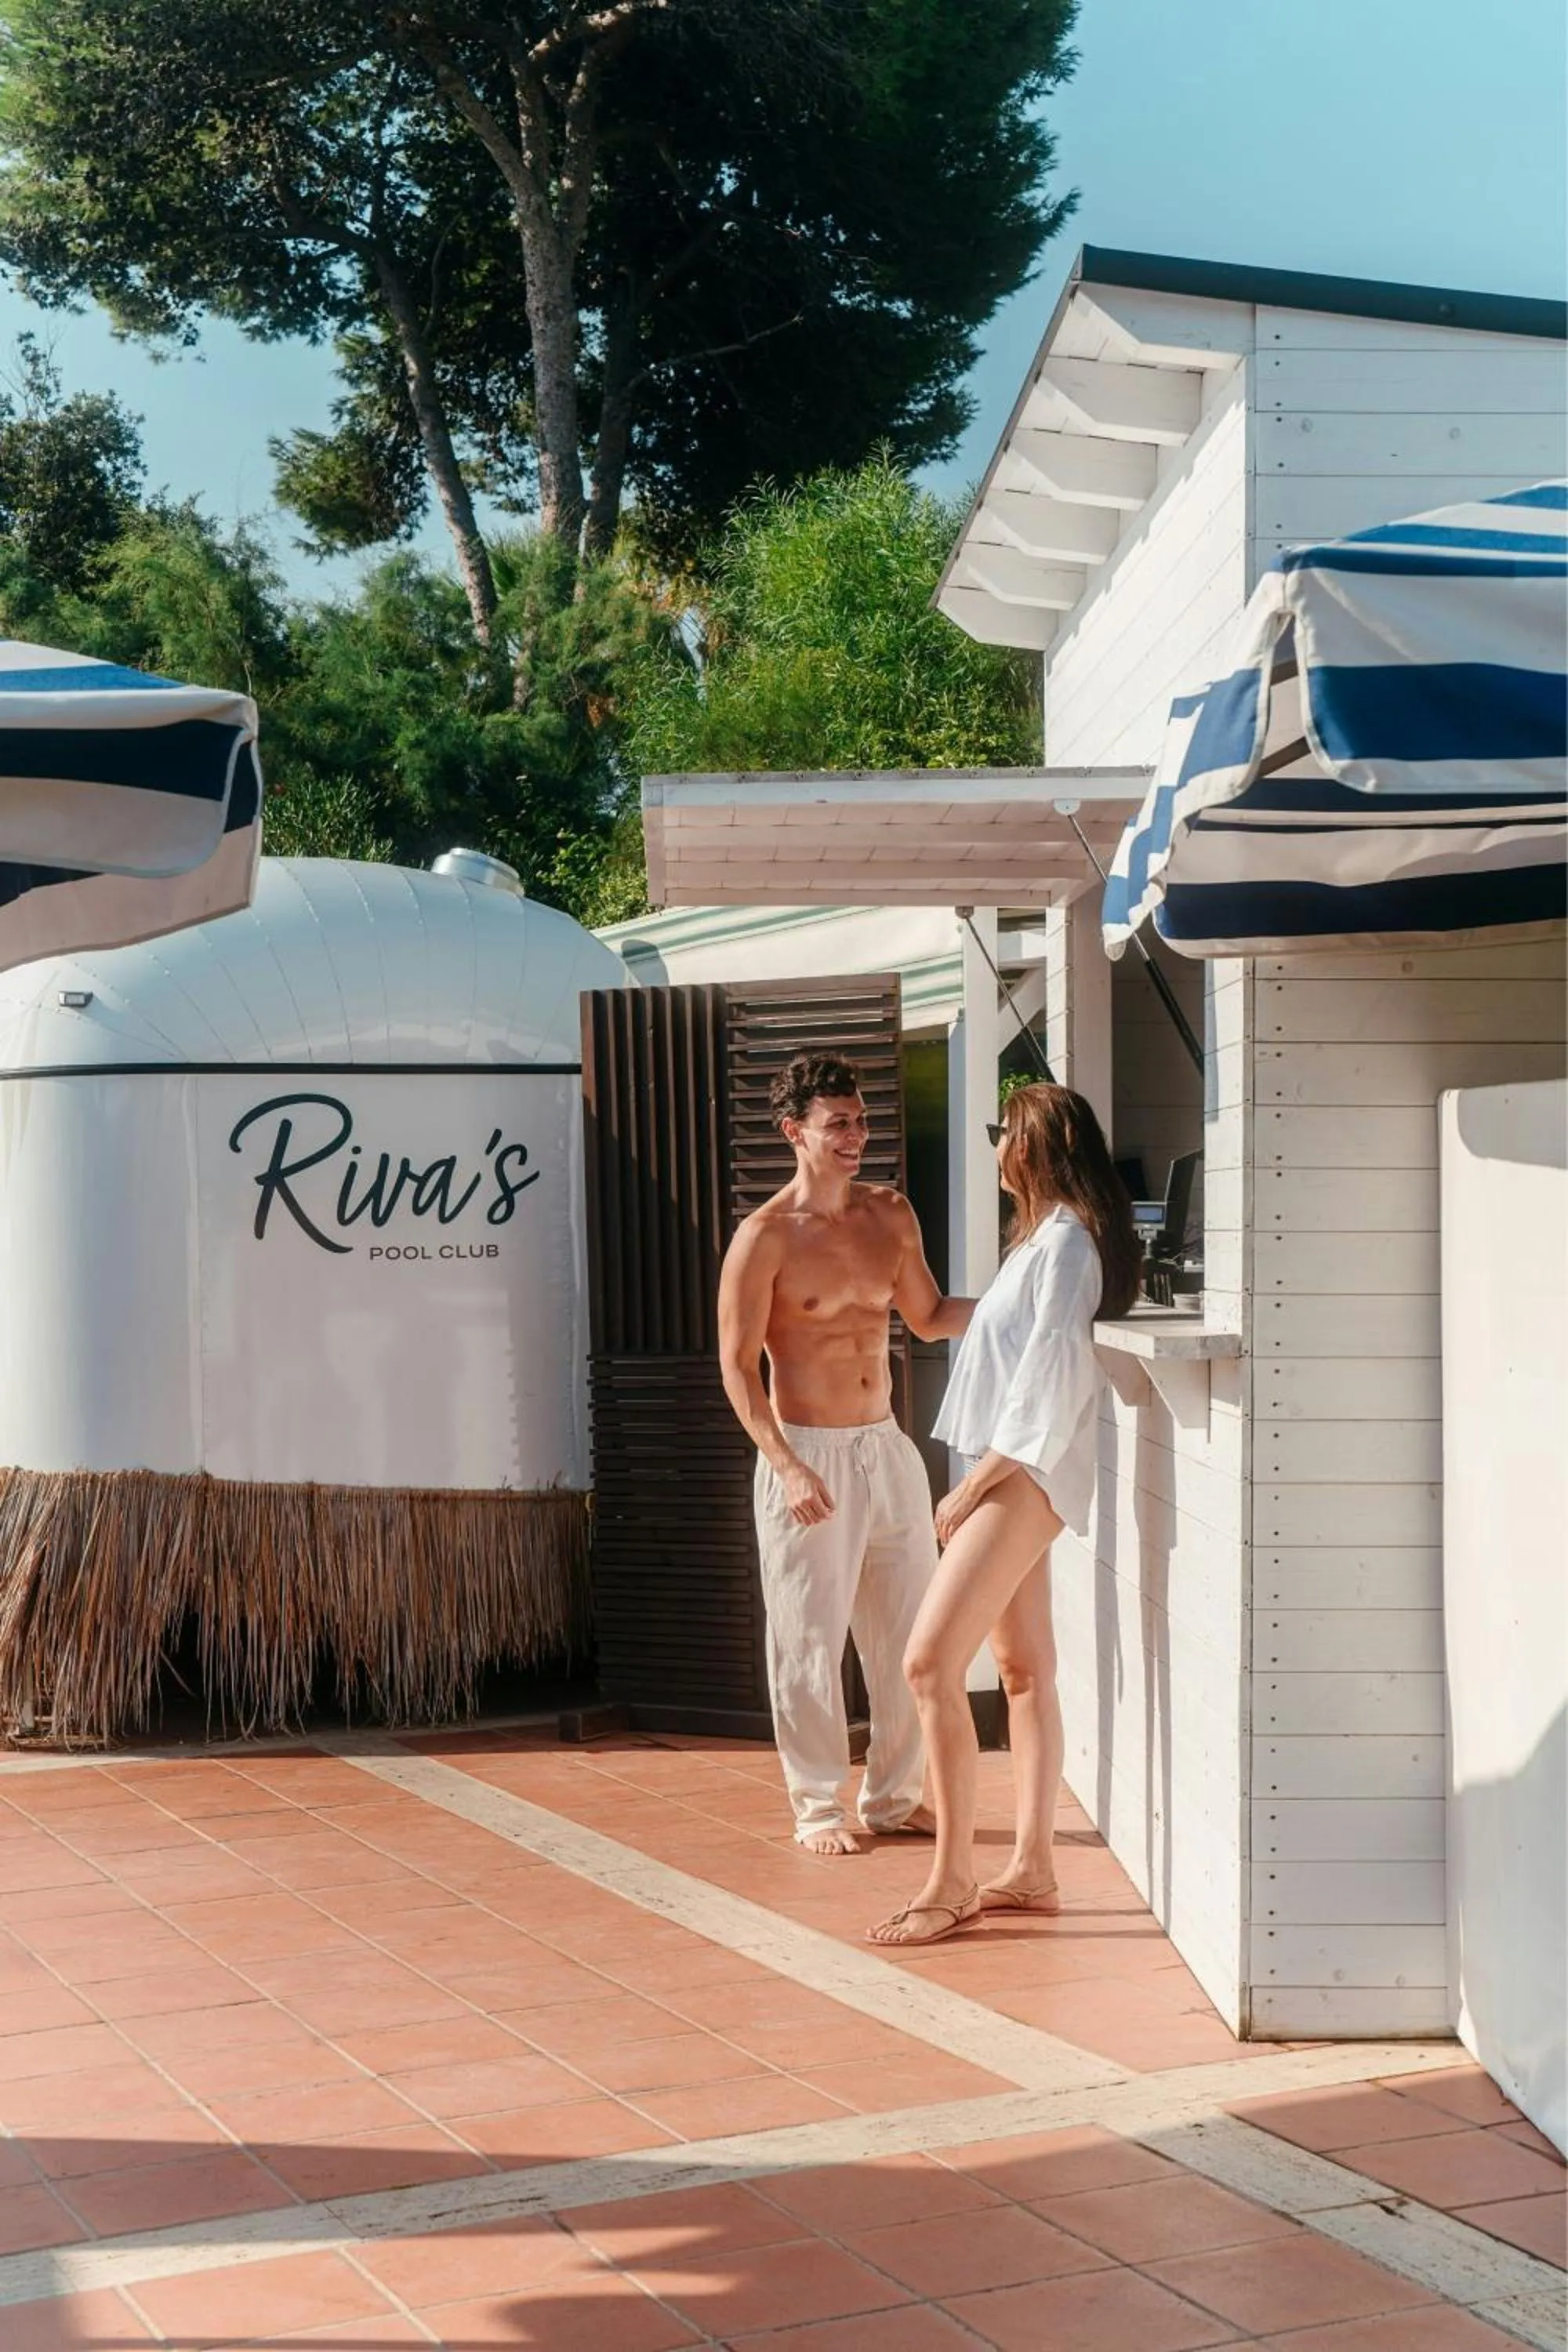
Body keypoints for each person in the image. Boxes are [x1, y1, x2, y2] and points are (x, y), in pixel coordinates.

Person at [867, 1082, 1142, 1944]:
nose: (993, 1147)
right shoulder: (1041, 1240)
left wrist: (972, 1485)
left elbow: (1046, 1384)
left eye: (1002, 1132)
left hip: (1021, 1473)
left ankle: (951, 1882)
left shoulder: (1066, 1246)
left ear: (1031, 1146)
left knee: (927, 1664)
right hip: (1017, 1468)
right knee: (1021, 1671)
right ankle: (1031, 1868)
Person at [718, 1052, 974, 1856]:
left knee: (907, 1633)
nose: (856, 1136)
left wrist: (1027, 1302)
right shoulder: (763, 1237)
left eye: (860, 1120)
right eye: (838, 1124)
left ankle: (894, 1798)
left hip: (885, 1447)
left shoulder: (890, 1214)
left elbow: (930, 1317)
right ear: (794, 1131)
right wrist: (787, 1466)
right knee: (807, 1638)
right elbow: (736, 1366)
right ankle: (817, 1807)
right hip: (807, 1454)